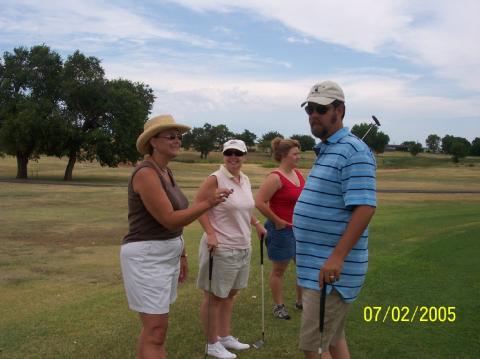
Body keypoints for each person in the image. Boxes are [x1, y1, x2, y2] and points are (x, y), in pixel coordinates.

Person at [120, 114, 232, 359]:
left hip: (166, 252)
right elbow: (169, 218)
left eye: (179, 137)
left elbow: (174, 220)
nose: (177, 140)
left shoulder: (165, 172)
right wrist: (208, 202)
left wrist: (181, 252)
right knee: (156, 331)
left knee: (154, 329)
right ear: (153, 141)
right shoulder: (145, 173)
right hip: (146, 256)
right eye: (170, 136)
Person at [293, 81, 377, 359]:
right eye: (310, 109)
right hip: (317, 267)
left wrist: (337, 258)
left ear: (339, 111)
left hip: (330, 270)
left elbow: (364, 207)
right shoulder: (328, 149)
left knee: (313, 347)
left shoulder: (354, 151)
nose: (313, 115)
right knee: (333, 340)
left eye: (321, 108)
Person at [196, 139, 266, 359]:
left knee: (230, 295)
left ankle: (225, 336)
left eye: (238, 153)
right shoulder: (215, 179)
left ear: (245, 156)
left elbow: (243, 208)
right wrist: (210, 232)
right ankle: (211, 343)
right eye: (229, 153)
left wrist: (256, 224)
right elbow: (198, 207)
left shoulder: (243, 179)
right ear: (223, 155)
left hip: (243, 246)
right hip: (221, 247)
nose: (233, 157)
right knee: (215, 296)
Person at [255, 137, 305, 320]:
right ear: (284, 155)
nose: (299, 157)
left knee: (303, 267)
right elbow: (259, 202)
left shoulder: (298, 174)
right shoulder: (275, 177)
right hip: (281, 231)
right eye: (295, 154)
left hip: (299, 229)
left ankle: (301, 302)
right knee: (278, 270)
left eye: (299, 153)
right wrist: (276, 220)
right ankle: (279, 306)